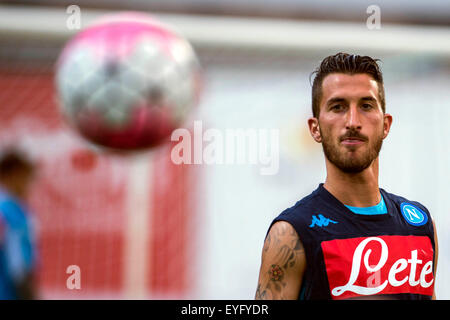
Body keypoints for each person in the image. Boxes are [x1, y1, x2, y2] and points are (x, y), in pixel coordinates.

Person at [255, 53, 438, 300]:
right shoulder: (291, 234)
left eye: (366, 105)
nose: (352, 121)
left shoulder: (420, 226)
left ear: (386, 125)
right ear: (315, 128)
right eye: (338, 107)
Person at [0, 149, 37, 299]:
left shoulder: (16, 207)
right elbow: (16, 255)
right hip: (10, 286)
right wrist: (25, 288)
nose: (28, 184)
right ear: (12, 176)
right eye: (25, 178)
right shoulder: (8, 210)